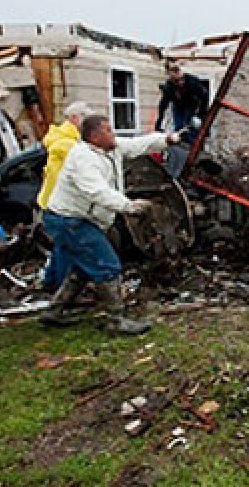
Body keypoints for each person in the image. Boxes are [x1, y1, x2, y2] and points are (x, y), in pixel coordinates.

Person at [41, 115, 183, 334]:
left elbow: (138, 144)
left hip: (79, 220)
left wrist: (167, 139)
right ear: (94, 137)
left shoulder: (110, 149)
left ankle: (54, 311)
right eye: (108, 130)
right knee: (107, 265)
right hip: (69, 221)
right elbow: (97, 191)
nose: (113, 134)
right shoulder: (83, 158)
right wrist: (128, 206)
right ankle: (116, 320)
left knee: (84, 266)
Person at [36, 101, 95, 291]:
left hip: (51, 203)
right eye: (86, 119)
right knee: (67, 248)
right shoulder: (69, 145)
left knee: (61, 246)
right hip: (60, 206)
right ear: (75, 118)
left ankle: (50, 282)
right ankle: (61, 288)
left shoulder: (63, 139)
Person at [155, 63, 210, 177]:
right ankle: (180, 143)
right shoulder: (169, 87)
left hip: (192, 104)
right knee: (179, 125)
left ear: (182, 75)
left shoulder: (192, 82)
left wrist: (200, 114)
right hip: (178, 105)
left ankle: (191, 145)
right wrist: (159, 122)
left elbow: (204, 97)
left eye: (180, 80)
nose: (179, 83)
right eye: (176, 81)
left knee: (190, 124)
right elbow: (163, 105)